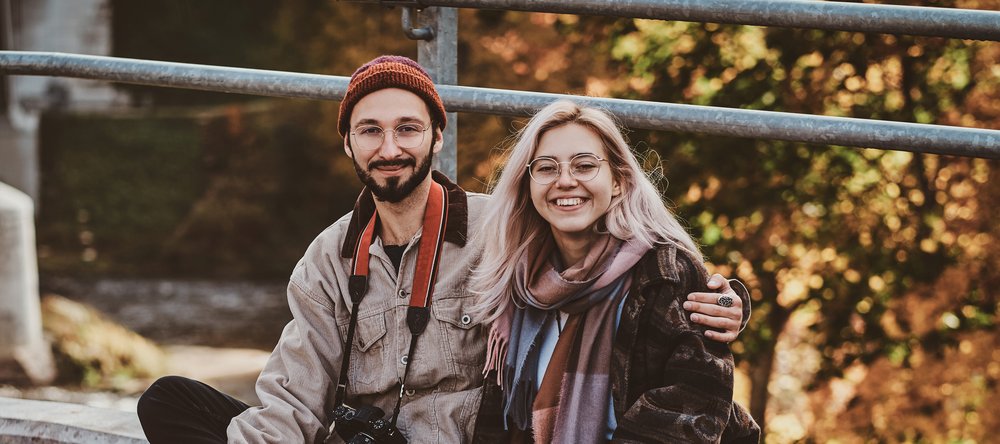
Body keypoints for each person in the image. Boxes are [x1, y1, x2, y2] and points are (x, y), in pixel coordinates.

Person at [136, 56, 749, 444]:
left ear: (436, 134)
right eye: (370, 130)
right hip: (357, 438)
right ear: (347, 144)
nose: (389, 147)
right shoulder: (327, 257)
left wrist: (728, 298)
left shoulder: (503, 229)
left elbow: (607, 265)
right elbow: (295, 392)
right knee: (169, 400)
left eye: (407, 127)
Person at [471, 100, 760, 443]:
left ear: (619, 181)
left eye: (584, 165)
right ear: (527, 183)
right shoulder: (516, 282)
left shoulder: (664, 274)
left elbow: (691, 410)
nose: (565, 181)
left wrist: (734, 301)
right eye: (547, 168)